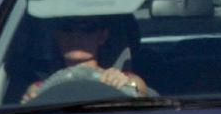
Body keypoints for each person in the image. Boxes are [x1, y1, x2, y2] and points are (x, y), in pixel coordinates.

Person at [20, 16, 148, 104]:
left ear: (102, 36)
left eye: (87, 29)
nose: (76, 36)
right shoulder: (40, 88)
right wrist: (31, 102)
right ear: (57, 35)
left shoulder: (128, 80)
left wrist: (126, 87)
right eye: (67, 29)